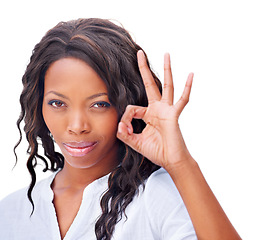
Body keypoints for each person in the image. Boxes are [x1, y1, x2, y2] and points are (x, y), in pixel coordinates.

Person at [0, 18, 241, 240]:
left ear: (127, 105)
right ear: (38, 104)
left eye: (99, 104)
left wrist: (181, 164)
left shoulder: (156, 196)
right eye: (58, 103)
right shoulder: (11, 210)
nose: (76, 126)